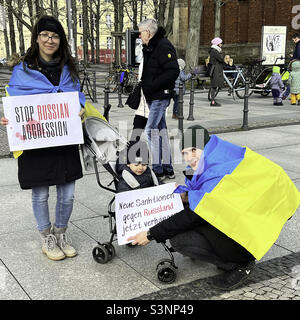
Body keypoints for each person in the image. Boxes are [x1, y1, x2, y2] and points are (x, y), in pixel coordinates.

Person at [127, 124, 300, 290]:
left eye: (193, 150)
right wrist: (187, 195)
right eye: (184, 153)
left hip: (251, 224)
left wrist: (151, 233)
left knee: (180, 241)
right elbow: (206, 196)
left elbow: (193, 215)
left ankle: (240, 263)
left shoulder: (215, 170)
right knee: (191, 220)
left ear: (206, 146)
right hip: (252, 213)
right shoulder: (221, 155)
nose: (189, 158)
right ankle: (232, 253)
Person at [0, 15, 85, 261]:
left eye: (55, 35)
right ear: (37, 39)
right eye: (45, 35)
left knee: (67, 193)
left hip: (64, 138)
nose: (50, 40)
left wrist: (80, 106)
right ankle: (46, 237)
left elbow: (77, 95)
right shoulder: (22, 69)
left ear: (61, 40)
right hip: (35, 142)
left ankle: (61, 233)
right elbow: (14, 99)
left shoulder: (69, 68)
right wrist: (9, 119)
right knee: (40, 194)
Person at [138, 18, 179, 181]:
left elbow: (173, 70)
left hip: (160, 96)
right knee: (161, 132)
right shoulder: (151, 46)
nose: (140, 36)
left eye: (141, 33)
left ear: (148, 32)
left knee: (150, 131)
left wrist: (153, 85)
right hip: (154, 96)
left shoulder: (163, 45)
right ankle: (167, 169)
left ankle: (157, 169)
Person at [283, 33, 300, 100]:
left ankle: (286, 94)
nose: (293, 41)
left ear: (296, 38)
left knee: (293, 80)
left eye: (293, 40)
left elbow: (299, 55)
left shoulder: (298, 45)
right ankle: (294, 95)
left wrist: (293, 57)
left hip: (297, 64)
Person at [209, 37, 224, 107]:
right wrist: (221, 53)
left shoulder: (214, 50)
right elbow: (221, 59)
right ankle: (213, 101)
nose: (221, 44)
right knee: (214, 86)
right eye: (220, 43)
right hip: (216, 70)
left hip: (216, 70)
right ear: (217, 44)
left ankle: (213, 100)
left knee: (216, 85)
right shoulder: (215, 51)